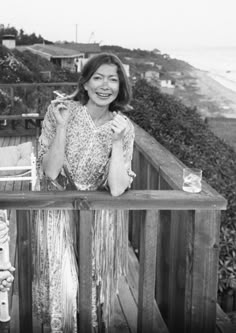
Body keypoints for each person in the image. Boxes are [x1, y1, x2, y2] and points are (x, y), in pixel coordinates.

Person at [33, 52, 135, 333]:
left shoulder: (123, 126)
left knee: (88, 296)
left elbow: (116, 188)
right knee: (64, 291)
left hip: (97, 220)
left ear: (120, 86)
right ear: (86, 83)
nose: (105, 85)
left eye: (113, 79)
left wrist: (116, 141)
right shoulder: (61, 111)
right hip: (58, 214)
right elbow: (51, 172)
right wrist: (63, 127)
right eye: (98, 77)